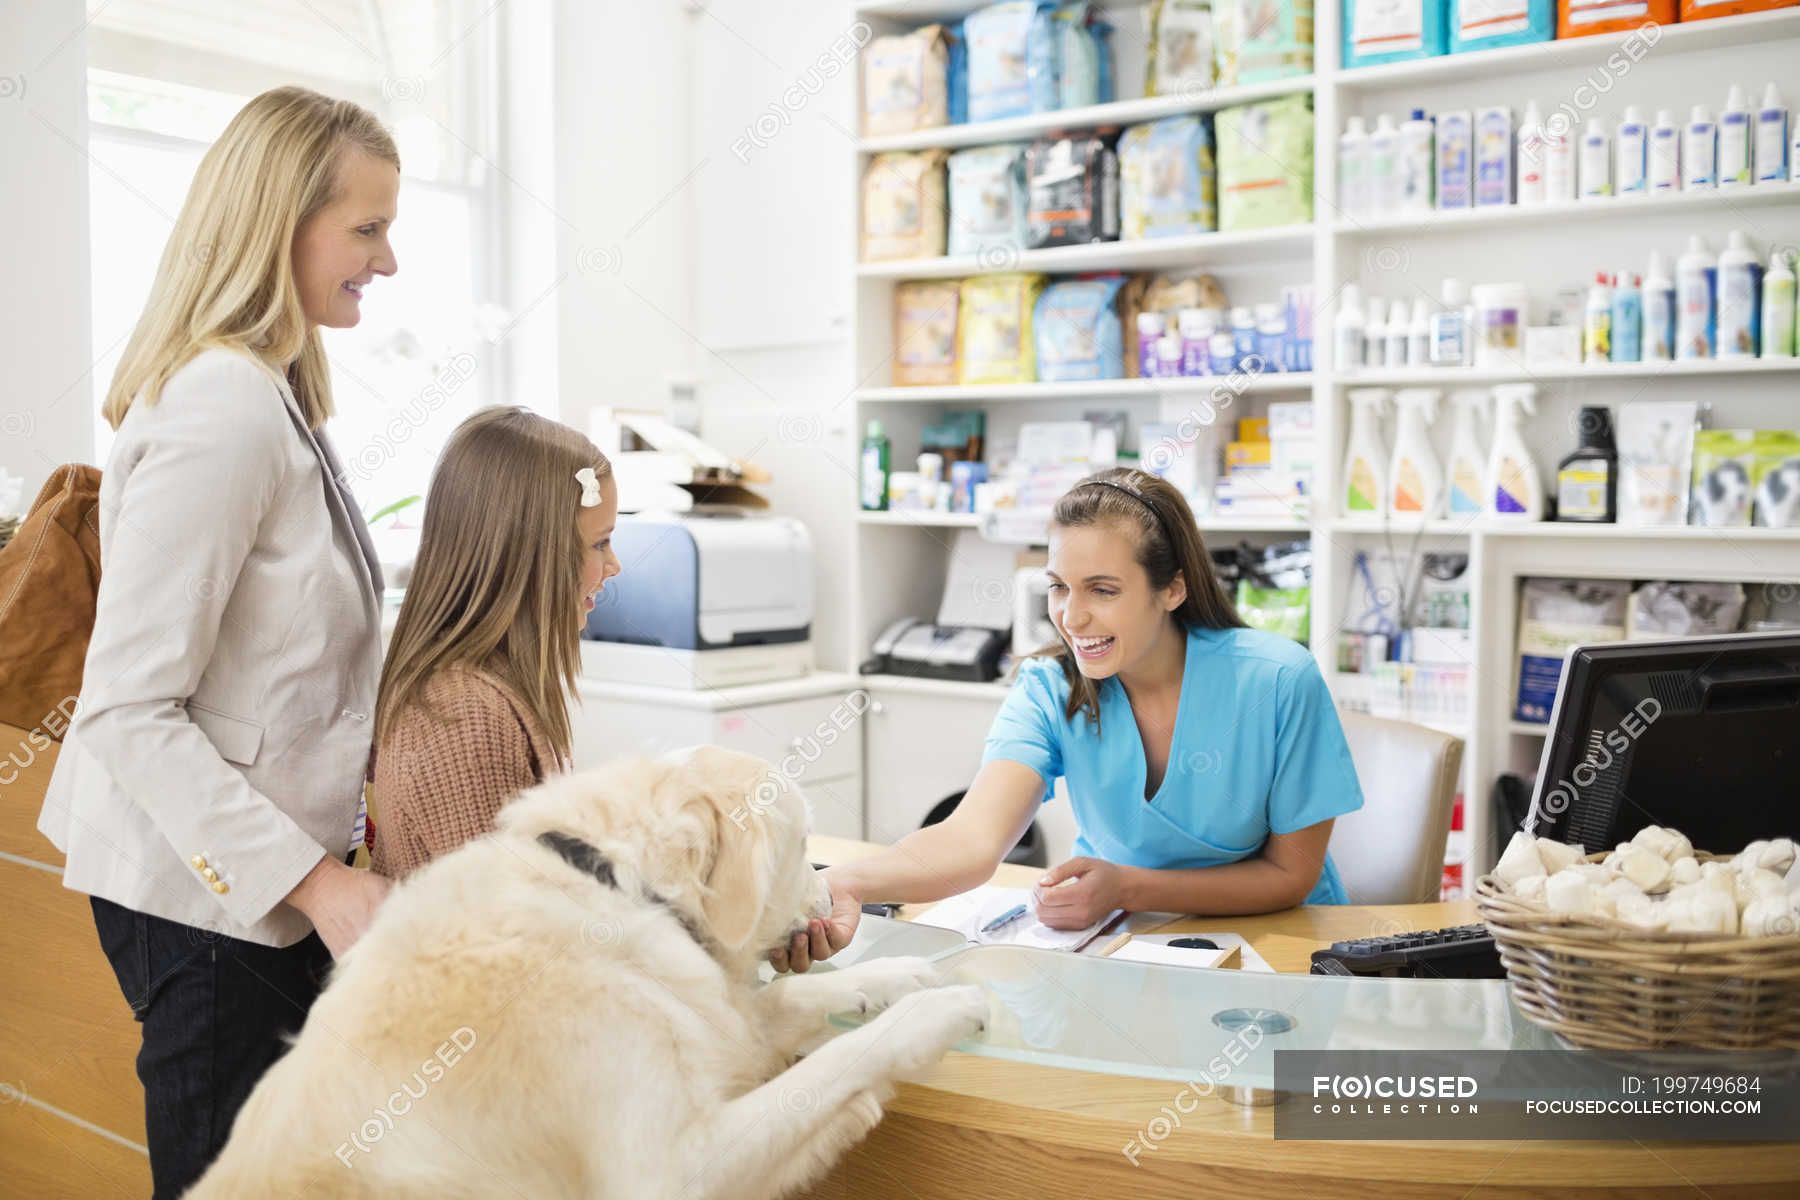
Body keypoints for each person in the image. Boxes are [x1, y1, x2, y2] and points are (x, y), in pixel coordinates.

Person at [39, 87, 400, 1196]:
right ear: (279, 224)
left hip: (254, 900)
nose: (387, 263)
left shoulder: (276, 395)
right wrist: (323, 889)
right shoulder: (222, 408)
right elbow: (127, 709)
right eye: (368, 228)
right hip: (204, 910)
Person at [774, 466, 1365, 972]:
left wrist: (1128, 886)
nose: (1072, 617)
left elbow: (1290, 875)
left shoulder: (1277, 681)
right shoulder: (1049, 687)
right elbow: (971, 840)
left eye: (1102, 590)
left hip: (1287, 946)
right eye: (1059, 587)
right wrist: (842, 885)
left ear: (1173, 589)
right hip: (1124, 945)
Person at [369, 407, 619, 879]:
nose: (614, 565)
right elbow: (514, 929)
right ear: (532, 552)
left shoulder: (488, 692)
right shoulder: (465, 716)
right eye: (600, 544)